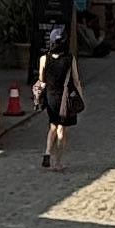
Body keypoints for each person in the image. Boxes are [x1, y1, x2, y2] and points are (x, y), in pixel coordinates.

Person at [36, 22, 85, 169]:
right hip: (65, 98)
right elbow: (76, 80)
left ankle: (47, 152)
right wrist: (80, 97)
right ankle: (58, 162)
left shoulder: (44, 59)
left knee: (52, 126)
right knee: (62, 129)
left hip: (51, 97)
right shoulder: (70, 59)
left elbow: (41, 80)